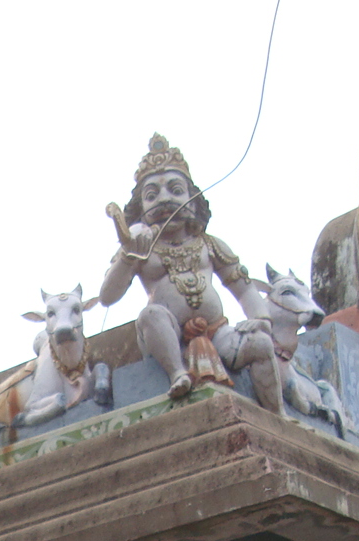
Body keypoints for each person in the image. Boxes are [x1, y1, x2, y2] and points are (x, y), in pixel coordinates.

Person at [98, 133, 283, 406]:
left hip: (219, 333)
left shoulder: (209, 245)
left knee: (262, 346)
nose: (164, 200)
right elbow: (107, 297)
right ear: (140, 209)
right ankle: (177, 374)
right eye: (152, 195)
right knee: (150, 314)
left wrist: (262, 320)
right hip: (167, 338)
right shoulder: (141, 249)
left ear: (193, 201)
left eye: (175, 191)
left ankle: (277, 416)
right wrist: (129, 254)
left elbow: (243, 289)